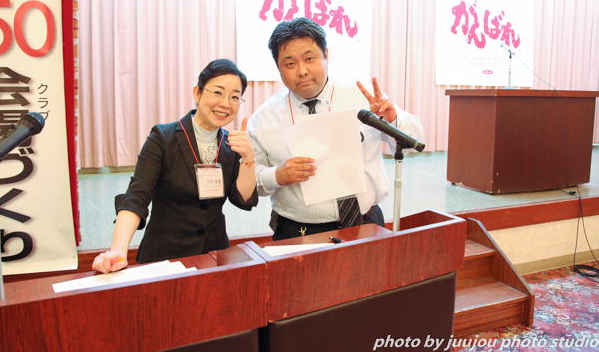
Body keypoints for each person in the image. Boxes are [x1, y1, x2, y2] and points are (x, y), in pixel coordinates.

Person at [247, 17, 424, 240]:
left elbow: (414, 142)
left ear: (326, 55)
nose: (302, 71)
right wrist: (277, 176)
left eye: (309, 59)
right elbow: (251, 181)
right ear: (278, 67)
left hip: (366, 222)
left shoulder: (362, 95)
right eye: (290, 64)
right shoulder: (263, 119)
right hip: (299, 232)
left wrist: (393, 121)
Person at [92, 59, 258, 273]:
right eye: (217, 92)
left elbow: (242, 198)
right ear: (197, 93)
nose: (226, 103)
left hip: (214, 255)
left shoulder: (231, 143)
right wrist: (118, 250)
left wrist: (248, 157)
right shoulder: (163, 137)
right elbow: (137, 195)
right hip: (165, 256)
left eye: (234, 97)